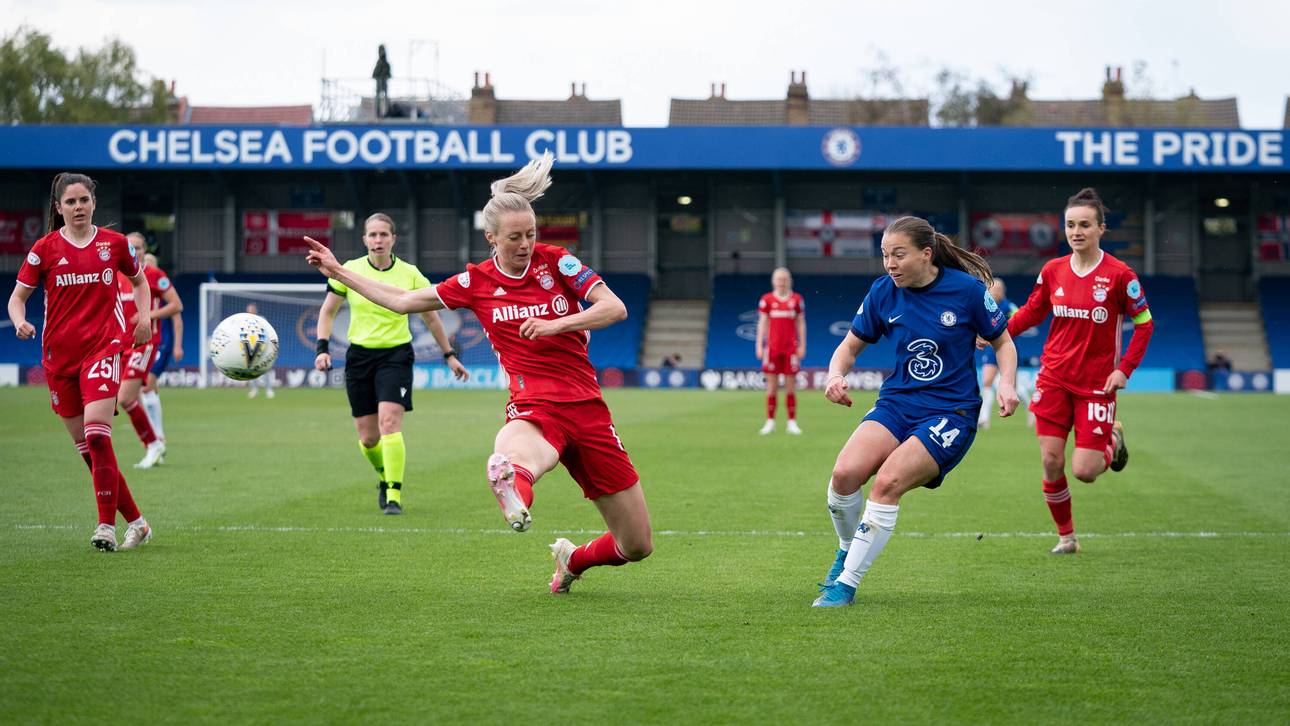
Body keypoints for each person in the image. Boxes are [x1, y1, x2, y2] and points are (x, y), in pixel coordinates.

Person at [305, 153, 654, 593]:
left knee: (636, 544)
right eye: (514, 237)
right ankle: (512, 487)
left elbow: (614, 308)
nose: (525, 244)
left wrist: (556, 324)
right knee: (520, 462)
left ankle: (571, 559)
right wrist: (338, 271)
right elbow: (402, 301)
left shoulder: (557, 262)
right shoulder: (476, 282)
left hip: (589, 410)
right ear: (491, 237)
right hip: (534, 405)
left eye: (531, 234)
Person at [813, 216, 1018, 607]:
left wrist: (1006, 383)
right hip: (898, 403)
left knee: (887, 483)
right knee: (844, 474)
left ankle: (845, 584)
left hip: (951, 411)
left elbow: (1003, 343)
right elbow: (850, 347)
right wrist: (835, 375)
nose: (890, 264)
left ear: (926, 254)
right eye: (885, 255)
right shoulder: (883, 291)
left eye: (899, 255)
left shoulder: (967, 291)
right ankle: (846, 549)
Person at [7, 172, 154, 551]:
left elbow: (140, 283)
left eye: (83, 200)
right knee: (91, 451)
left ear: (93, 203)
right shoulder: (44, 249)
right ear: (58, 207)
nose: (78, 207)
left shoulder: (115, 244)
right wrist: (20, 321)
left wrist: (144, 318)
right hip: (59, 360)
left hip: (103, 348)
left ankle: (105, 527)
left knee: (97, 434)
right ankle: (137, 523)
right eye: (70, 202)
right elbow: (17, 297)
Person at [1006, 188, 1153, 555]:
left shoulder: (1121, 275)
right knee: (1051, 461)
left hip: (1097, 385)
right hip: (1054, 378)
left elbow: (1145, 324)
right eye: (1070, 224)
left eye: (1085, 225)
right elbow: (1033, 311)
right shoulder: (1053, 270)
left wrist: (1125, 370)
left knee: (1085, 471)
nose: (1076, 231)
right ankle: (1067, 537)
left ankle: (1112, 440)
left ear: (1101, 228)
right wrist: (997, 332)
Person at [313, 213, 469, 515]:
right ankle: (385, 476)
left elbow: (431, 317)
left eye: (383, 234)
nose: (378, 240)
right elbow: (328, 312)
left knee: (389, 423)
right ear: (364, 239)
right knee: (368, 437)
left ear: (393, 239)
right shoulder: (349, 270)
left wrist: (449, 355)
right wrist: (322, 348)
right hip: (359, 357)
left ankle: (394, 496)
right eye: (372, 235)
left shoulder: (410, 274)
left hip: (396, 357)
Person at [116, 233, 182, 468]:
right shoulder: (116, 275)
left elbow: (176, 305)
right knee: (130, 399)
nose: (134, 251)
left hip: (144, 344)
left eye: (138, 247)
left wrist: (148, 315)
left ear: (145, 251)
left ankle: (154, 444)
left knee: (126, 397)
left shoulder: (154, 275)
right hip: (121, 346)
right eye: (130, 247)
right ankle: (155, 441)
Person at [755, 267, 806, 435]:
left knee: (790, 387)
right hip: (772, 348)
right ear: (773, 281)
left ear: (789, 281)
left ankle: (792, 422)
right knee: (771, 387)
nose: (782, 282)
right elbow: (762, 322)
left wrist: (802, 345)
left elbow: (801, 323)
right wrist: (759, 345)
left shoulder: (796, 299)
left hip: (790, 348)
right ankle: (770, 422)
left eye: (784, 279)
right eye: (779, 279)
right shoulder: (767, 300)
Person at [140, 252, 184, 439]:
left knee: (146, 386)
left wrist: (177, 346)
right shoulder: (138, 289)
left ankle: (157, 435)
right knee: (148, 388)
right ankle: (156, 431)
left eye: (150, 264)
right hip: (143, 344)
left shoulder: (162, 290)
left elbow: (177, 319)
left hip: (161, 344)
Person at [976, 278, 1022, 430]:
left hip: (1007, 346)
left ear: (1003, 292)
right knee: (987, 382)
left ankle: (1031, 411)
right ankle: (984, 418)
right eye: (992, 290)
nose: (995, 293)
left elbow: (1020, 319)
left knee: (1013, 385)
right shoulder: (984, 304)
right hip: (990, 348)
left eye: (997, 290)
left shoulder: (1009, 306)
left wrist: (1003, 330)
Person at [244, 302, 277, 399]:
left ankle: (269, 390)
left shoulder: (262, 319)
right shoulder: (243, 320)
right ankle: (254, 390)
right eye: (249, 309)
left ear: (255, 310)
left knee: (263, 369)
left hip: (261, 347)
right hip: (249, 348)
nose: (251, 311)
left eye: (252, 309)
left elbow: (267, 332)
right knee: (251, 370)